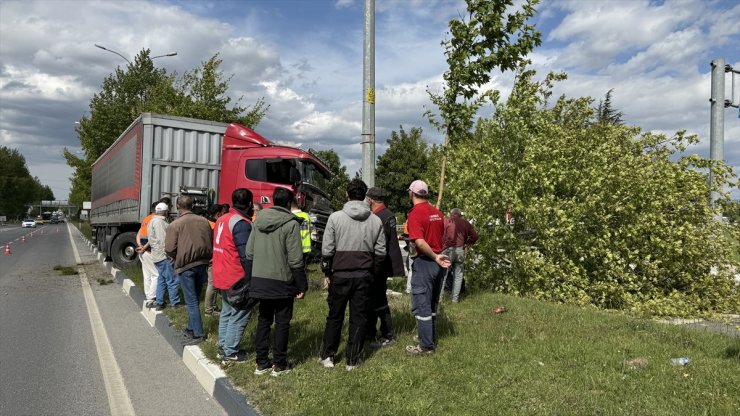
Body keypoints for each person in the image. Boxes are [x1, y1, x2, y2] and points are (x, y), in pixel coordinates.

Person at [320, 179, 385, 370]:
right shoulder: (375, 219)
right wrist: (374, 272)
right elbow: (381, 252)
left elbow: (327, 248)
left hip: (340, 273)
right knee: (359, 316)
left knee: (335, 315)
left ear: (347, 195)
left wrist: (327, 271)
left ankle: (328, 355)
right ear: (365, 196)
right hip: (364, 274)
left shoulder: (335, 218)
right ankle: (353, 359)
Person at [246, 188, 307, 376]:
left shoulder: (258, 221)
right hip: (282, 279)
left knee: (264, 320)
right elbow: (295, 259)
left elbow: (249, 252)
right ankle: (279, 363)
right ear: (290, 203)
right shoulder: (291, 224)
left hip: (260, 278)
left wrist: (251, 277)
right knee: (282, 322)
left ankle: (261, 362)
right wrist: (302, 285)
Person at [405, 180, 450, 355]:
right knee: (432, 305)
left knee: (422, 304)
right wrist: (438, 255)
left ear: (411, 194)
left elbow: (420, 242)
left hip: (426, 261)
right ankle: (427, 336)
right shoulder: (438, 213)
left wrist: (434, 256)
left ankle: (426, 346)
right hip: (438, 265)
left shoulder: (415, 214)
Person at [165, 195, 214, 345]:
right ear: (192, 205)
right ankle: (190, 328)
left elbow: (169, 248)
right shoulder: (204, 221)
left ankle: (198, 334)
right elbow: (209, 240)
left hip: (186, 265)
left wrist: (175, 256)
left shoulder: (175, 224)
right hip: (203, 263)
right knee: (195, 299)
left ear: (177, 206)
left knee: (191, 301)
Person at [213, 189, 254, 362]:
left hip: (220, 273)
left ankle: (222, 346)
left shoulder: (222, 219)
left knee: (227, 312)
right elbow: (246, 255)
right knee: (240, 313)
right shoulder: (241, 223)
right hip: (235, 277)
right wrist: (252, 278)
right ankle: (230, 352)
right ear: (250, 204)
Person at [364, 187, 405, 348]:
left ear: (371, 200)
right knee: (375, 299)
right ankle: (371, 332)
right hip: (383, 265)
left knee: (378, 300)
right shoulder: (387, 214)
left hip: (378, 265)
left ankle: (387, 334)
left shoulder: (379, 217)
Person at [148, 202, 181, 311]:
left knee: (161, 279)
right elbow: (162, 240)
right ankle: (175, 303)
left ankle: (159, 302)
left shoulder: (152, 220)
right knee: (172, 279)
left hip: (156, 255)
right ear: (166, 211)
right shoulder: (159, 222)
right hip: (163, 256)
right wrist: (168, 253)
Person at [442, 208, 478, 303]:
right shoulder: (465, 223)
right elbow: (475, 236)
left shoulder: (446, 221)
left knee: (443, 275)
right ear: (460, 214)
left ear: (452, 214)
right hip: (460, 250)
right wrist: (467, 243)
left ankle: (439, 299)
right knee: (458, 276)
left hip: (447, 249)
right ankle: (455, 299)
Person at [136, 202, 159, 307]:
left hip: (142, 250)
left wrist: (140, 245)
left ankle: (148, 295)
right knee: (156, 274)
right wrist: (144, 248)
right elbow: (152, 237)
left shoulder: (146, 219)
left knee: (147, 274)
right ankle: (152, 297)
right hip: (148, 250)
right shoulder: (155, 220)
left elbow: (139, 233)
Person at [204, 203, 224, 316]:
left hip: (208, 256)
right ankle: (208, 310)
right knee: (212, 284)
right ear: (218, 213)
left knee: (213, 284)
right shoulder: (215, 225)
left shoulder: (206, 222)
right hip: (214, 257)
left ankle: (213, 306)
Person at [290, 199, 312, 267]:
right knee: (303, 268)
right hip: (306, 247)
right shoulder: (306, 216)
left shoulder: (291, 216)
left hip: (295, 247)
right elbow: (310, 229)